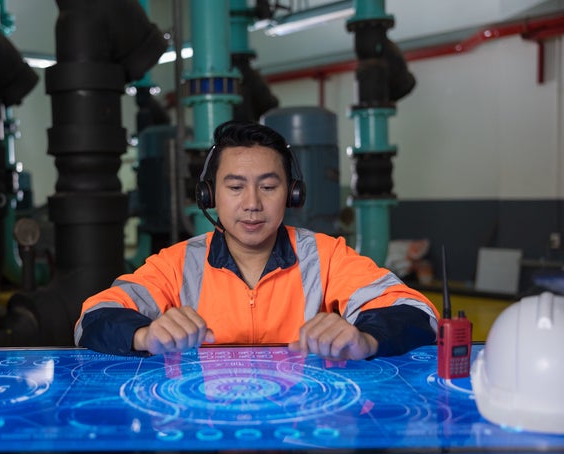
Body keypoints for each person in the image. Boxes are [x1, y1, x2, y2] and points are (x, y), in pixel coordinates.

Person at [74, 120, 439, 360]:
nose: (252, 204)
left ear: (292, 194)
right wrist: (143, 335)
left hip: (301, 426)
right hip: (208, 424)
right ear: (209, 196)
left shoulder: (325, 257)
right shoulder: (178, 263)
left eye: (268, 186)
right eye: (235, 187)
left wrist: (366, 339)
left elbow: (418, 313)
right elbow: (92, 318)